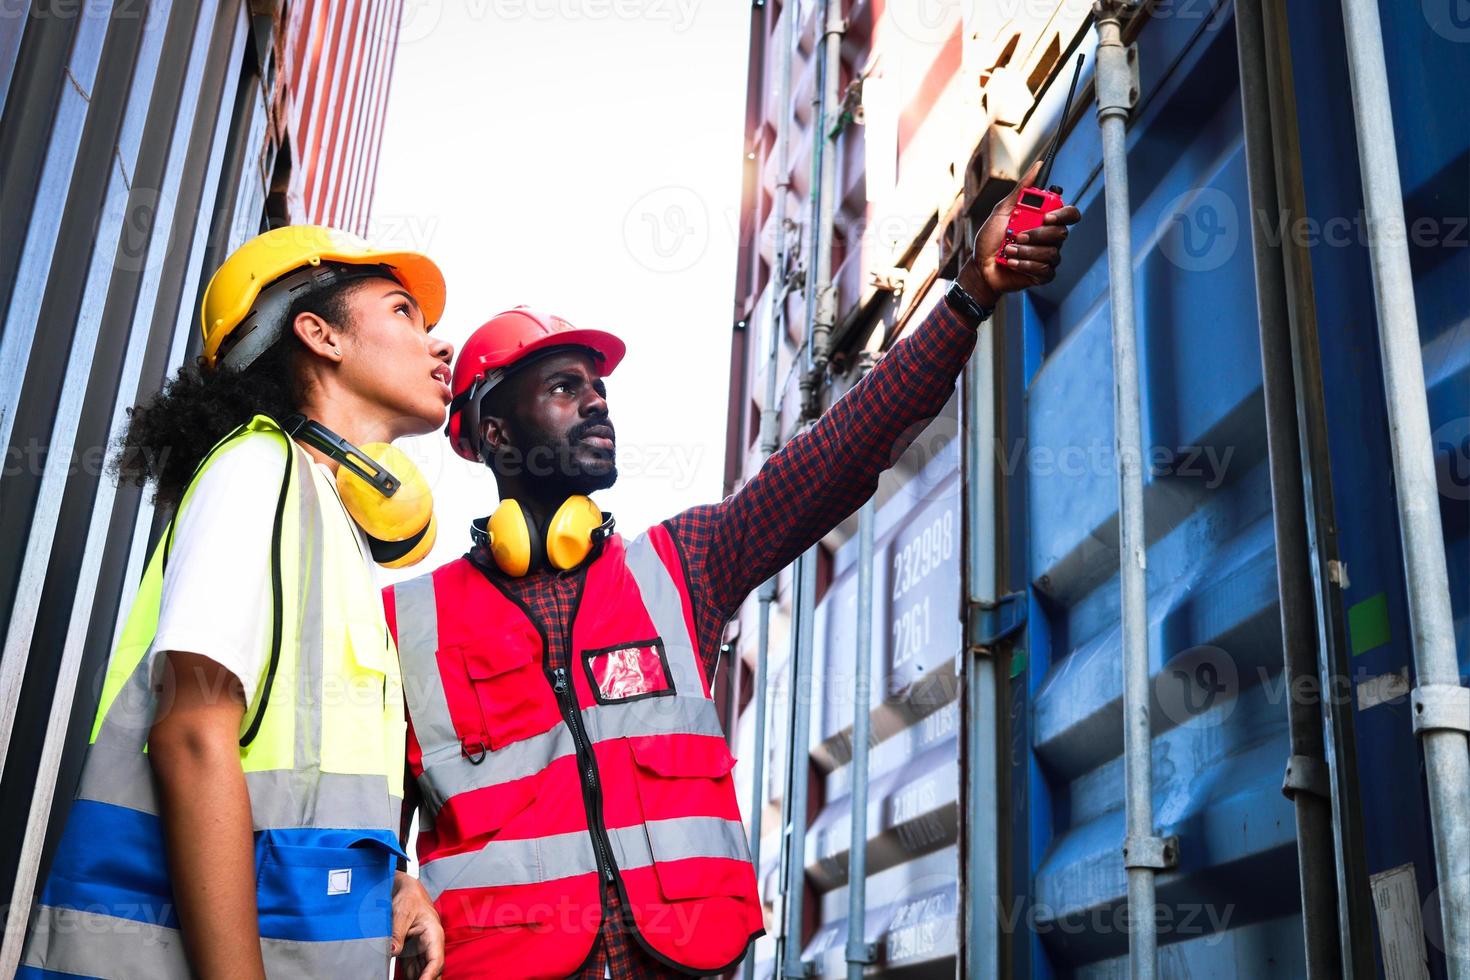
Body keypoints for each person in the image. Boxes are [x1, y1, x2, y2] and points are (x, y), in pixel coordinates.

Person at [383, 161, 1080, 978]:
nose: (599, 401)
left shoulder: (682, 568)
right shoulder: (405, 628)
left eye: (600, 387)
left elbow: (839, 454)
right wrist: (393, 881)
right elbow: (346, 821)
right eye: (567, 387)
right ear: (495, 436)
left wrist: (969, 293)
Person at [19, 226, 454, 979]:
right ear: (320, 335)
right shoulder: (257, 469)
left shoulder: (327, 522)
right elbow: (191, 734)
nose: (438, 347)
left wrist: (390, 883)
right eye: (403, 313)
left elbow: (300, 795)